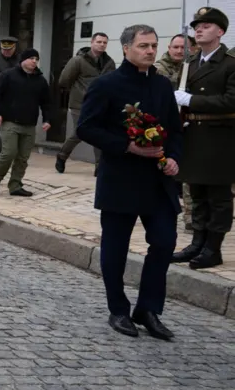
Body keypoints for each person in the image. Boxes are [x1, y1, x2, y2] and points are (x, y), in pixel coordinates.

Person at [76, 25, 182, 340]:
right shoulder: (106, 84)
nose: (150, 51)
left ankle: (148, 309)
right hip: (120, 178)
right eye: (143, 46)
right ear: (126, 48)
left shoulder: (163, 86)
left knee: (164, 242)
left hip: (158, 180)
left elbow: (175, 130)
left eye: (153, 45)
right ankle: (119, 310)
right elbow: (86, 128)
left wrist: (174, 158)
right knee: (116, 248)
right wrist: (127, 145)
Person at [171, 7, 235, 270]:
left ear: (220, 31)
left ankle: (213, 248)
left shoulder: (230, 64)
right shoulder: (191, 64)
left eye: (206, 25)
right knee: (196, 193)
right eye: (197, 26)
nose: (199, 29)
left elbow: (231, 100)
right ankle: (197, 242)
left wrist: (192, 100)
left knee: (218, 197)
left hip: (220, 138)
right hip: (194, 135)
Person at [0, 48, 56, 197]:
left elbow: (46, 102)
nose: (34, 61)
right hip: (10, 122)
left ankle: (15, 184)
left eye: (36, 59)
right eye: (31, 58)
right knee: (9, 152)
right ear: (23, 60)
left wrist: (47, 119)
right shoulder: (8, 75)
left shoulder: (40, 80)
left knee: (23, 157)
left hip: (30, 124)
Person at [55, 33, 115, 173]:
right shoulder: (78, 60)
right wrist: (80, 92)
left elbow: (113, 82)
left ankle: (100, 166)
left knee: (100, 132)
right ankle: (62, 156)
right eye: (99, 42)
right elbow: (64, 80)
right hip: (80, 104)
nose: (102, 45)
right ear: (92, 42)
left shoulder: (109, 62)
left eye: (104, 42)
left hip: (101, 104)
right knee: (80, 132)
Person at [156, 34, 195, 231]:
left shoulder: (196, 67)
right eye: (176, 47)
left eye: (184, 48)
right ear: (169, 48)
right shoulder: (159, 69)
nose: (180, 51)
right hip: (165, 127)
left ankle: (190, 215)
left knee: (187, 170)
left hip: (189, 125)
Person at [0, 38, 20, 163]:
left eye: (9, 49)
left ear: (14, 48)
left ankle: (10, 154)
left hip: (16, 100)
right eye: (4, 49)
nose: (6, 52)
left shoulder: (20, 60)